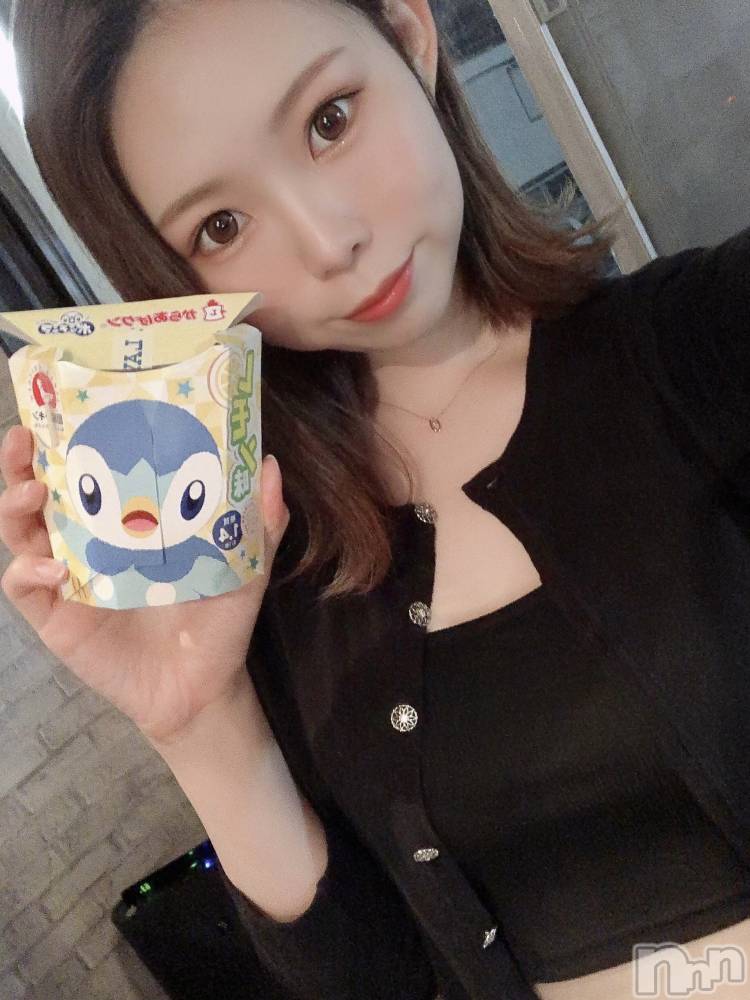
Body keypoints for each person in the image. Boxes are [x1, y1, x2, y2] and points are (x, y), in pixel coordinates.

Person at [1, 1, 749, 998]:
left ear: (408, 33)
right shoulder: (259, 565)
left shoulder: (703, 342)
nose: (330, 241)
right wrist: (198, 724)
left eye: (329, 120)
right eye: (221, 226)